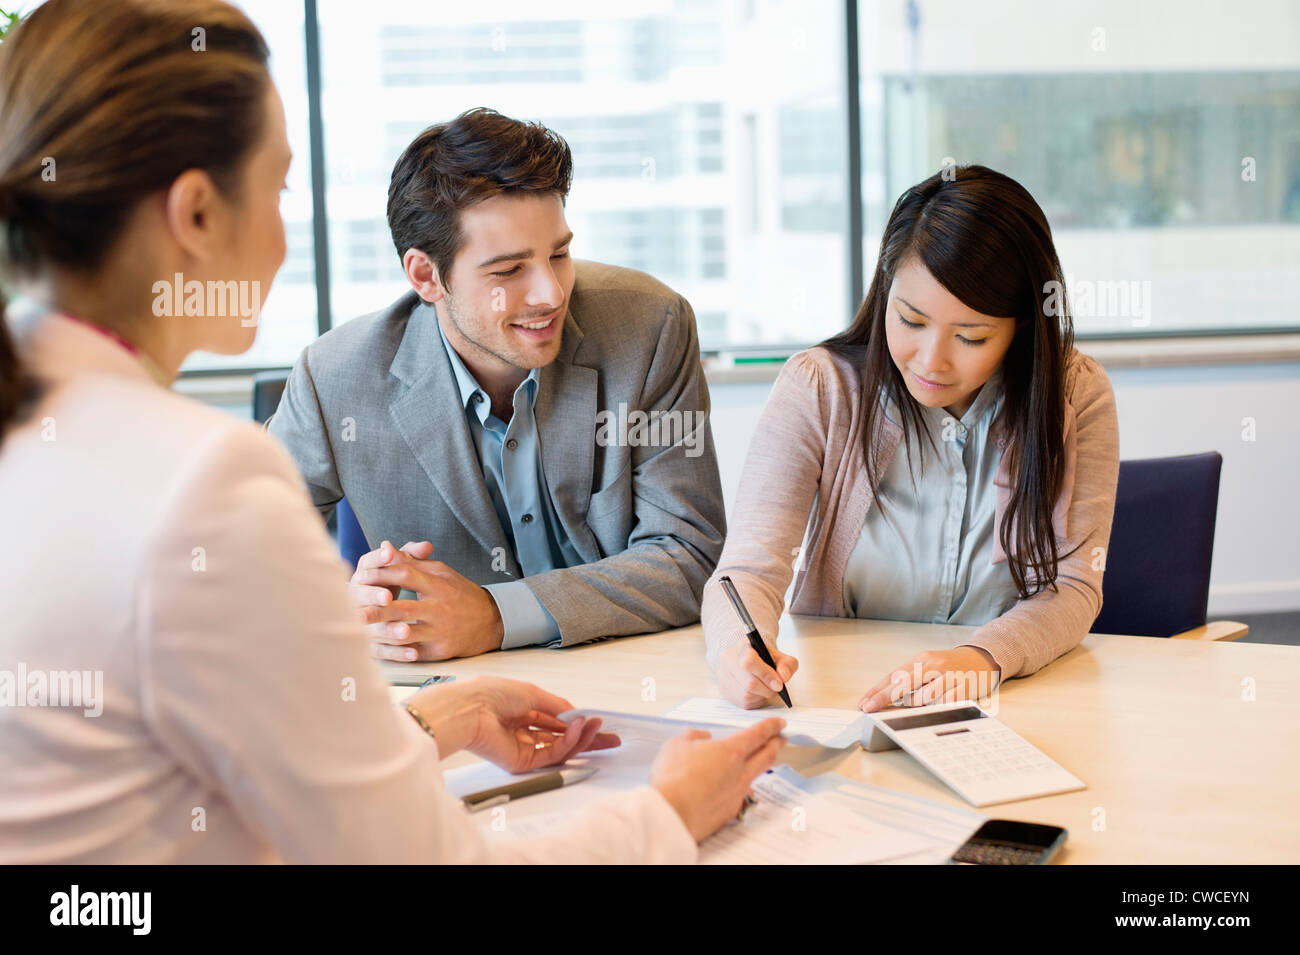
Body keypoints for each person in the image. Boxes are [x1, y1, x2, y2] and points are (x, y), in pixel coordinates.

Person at [0, 0, 783, 864]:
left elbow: (232, 760)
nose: (546, 293)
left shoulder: (44, 430)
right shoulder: (208, 475)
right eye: (280, 188)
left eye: (556, 254)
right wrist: (668, 816)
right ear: (195, 214)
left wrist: (439, 713)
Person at [268, 108, 726, 663]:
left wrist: (494, 614)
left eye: (558, 254)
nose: (550, 294)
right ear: (425, 277)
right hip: (458, 693)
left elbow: (688, 554)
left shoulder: (651, 327)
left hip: (634, 671)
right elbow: (252, 563)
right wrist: (348, 608)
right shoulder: (335, 378)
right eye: (508, 272)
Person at [703, 165, 1120, 713]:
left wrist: (981, 658)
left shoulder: (1074, 394)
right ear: (885, 295)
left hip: (1012, 698)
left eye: (971, 336)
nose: (930, 361)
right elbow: (748, 569)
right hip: (841, 696)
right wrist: (738, 649)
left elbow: (1074, 587)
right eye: (910, 320)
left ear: (1022, 328)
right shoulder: (819, 387)